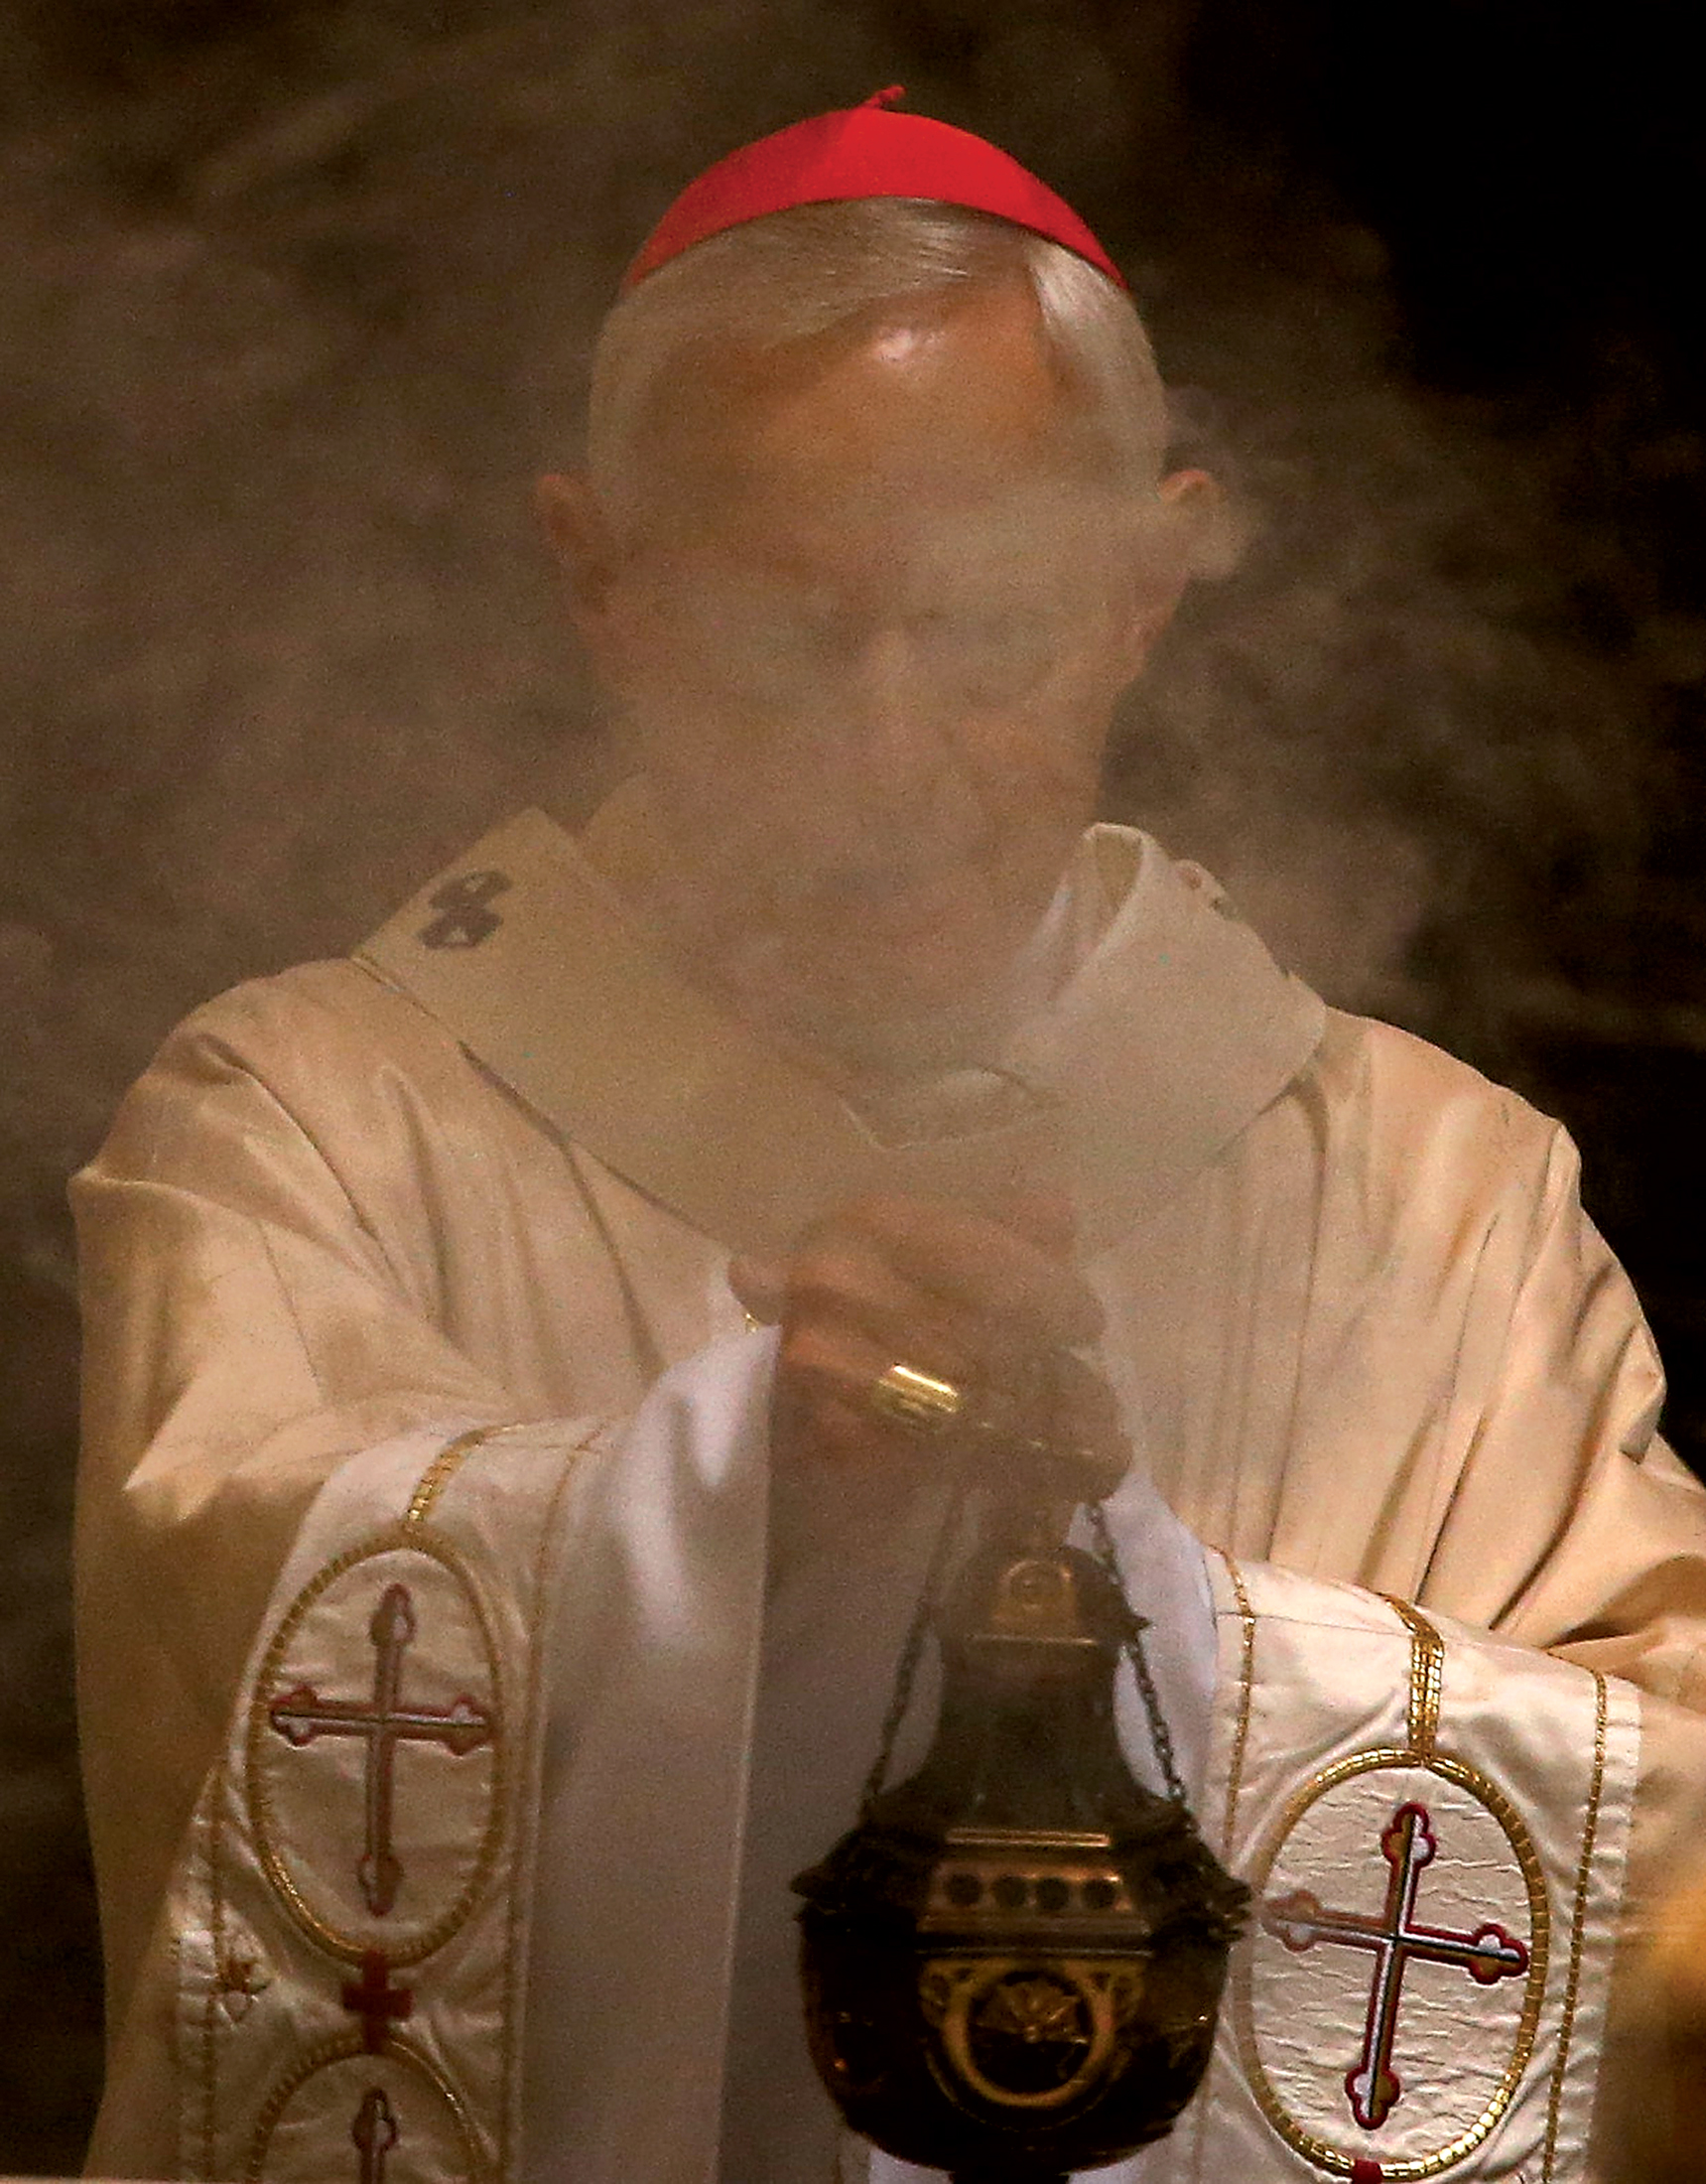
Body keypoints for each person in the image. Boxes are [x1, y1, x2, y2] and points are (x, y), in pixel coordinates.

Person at [72, 93, 1706, 2184]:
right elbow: (243, 1631)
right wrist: (740, 1501)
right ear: (599, 580)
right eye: (784, 632)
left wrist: (1120, 1610)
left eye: (986, 634)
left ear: (1144, 581)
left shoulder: (1441, 1193)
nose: (885, 753)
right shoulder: (302, 1124)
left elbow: (1659, 1824)